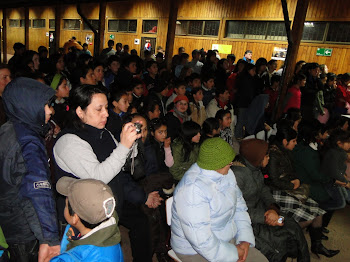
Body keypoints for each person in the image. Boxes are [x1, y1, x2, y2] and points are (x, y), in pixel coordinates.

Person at [53, 85, 162, 262]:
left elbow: (122, 163)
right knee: (97, 253)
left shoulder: (103, 132)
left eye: (106, 108)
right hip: (85, 214)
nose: (106, 113)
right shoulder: (68, 141)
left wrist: (132, 142)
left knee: (141, 223)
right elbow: (98, 177)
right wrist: (124, 146)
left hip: (110, 201)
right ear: (80, 111)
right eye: (99, 109)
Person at [171, 137, 268, 262]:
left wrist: (244, 239)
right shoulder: (192, 190)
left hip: (225, 238)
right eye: (229, 162)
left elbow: (239, 208)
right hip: (194, 249)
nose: (231, 163)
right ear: (216, 164)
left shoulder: (227, 174)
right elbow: (201, 241)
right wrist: (234, 252)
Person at [0, 77, 60, 262]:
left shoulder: (8, 129)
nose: (51, 110)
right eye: (45, 105)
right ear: (28, 106)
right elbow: (37, 191)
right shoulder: (29, 143)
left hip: (8, 219)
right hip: (25, 229)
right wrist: (49, 239)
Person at [232, 139, 310, 262]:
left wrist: (272, 208)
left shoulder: (254, 168)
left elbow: (263, 189)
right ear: (257, 156)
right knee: (279, 243)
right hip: (248, 221)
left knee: (291, 225)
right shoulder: (237, 176)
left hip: (265, 212)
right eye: (266, 155)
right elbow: (235, 210)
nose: (268, 158)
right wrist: (265, 217)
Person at [266, 127, 339, 258]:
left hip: (289, 188)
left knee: (318, 211)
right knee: (305, 217)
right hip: (277, 191)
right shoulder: (273, 154)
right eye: (293, 141)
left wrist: (296, 180)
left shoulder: (286, 151)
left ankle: (317, 246)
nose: (295, 143)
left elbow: (293, 170)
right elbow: (273, 180)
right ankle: (285, 237)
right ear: (284, 141)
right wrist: (292, 184)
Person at [51, 177, 123, 261]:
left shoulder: (79, 258)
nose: (65, 207)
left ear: (75, 218)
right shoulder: (109, 231)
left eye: (66, 205)